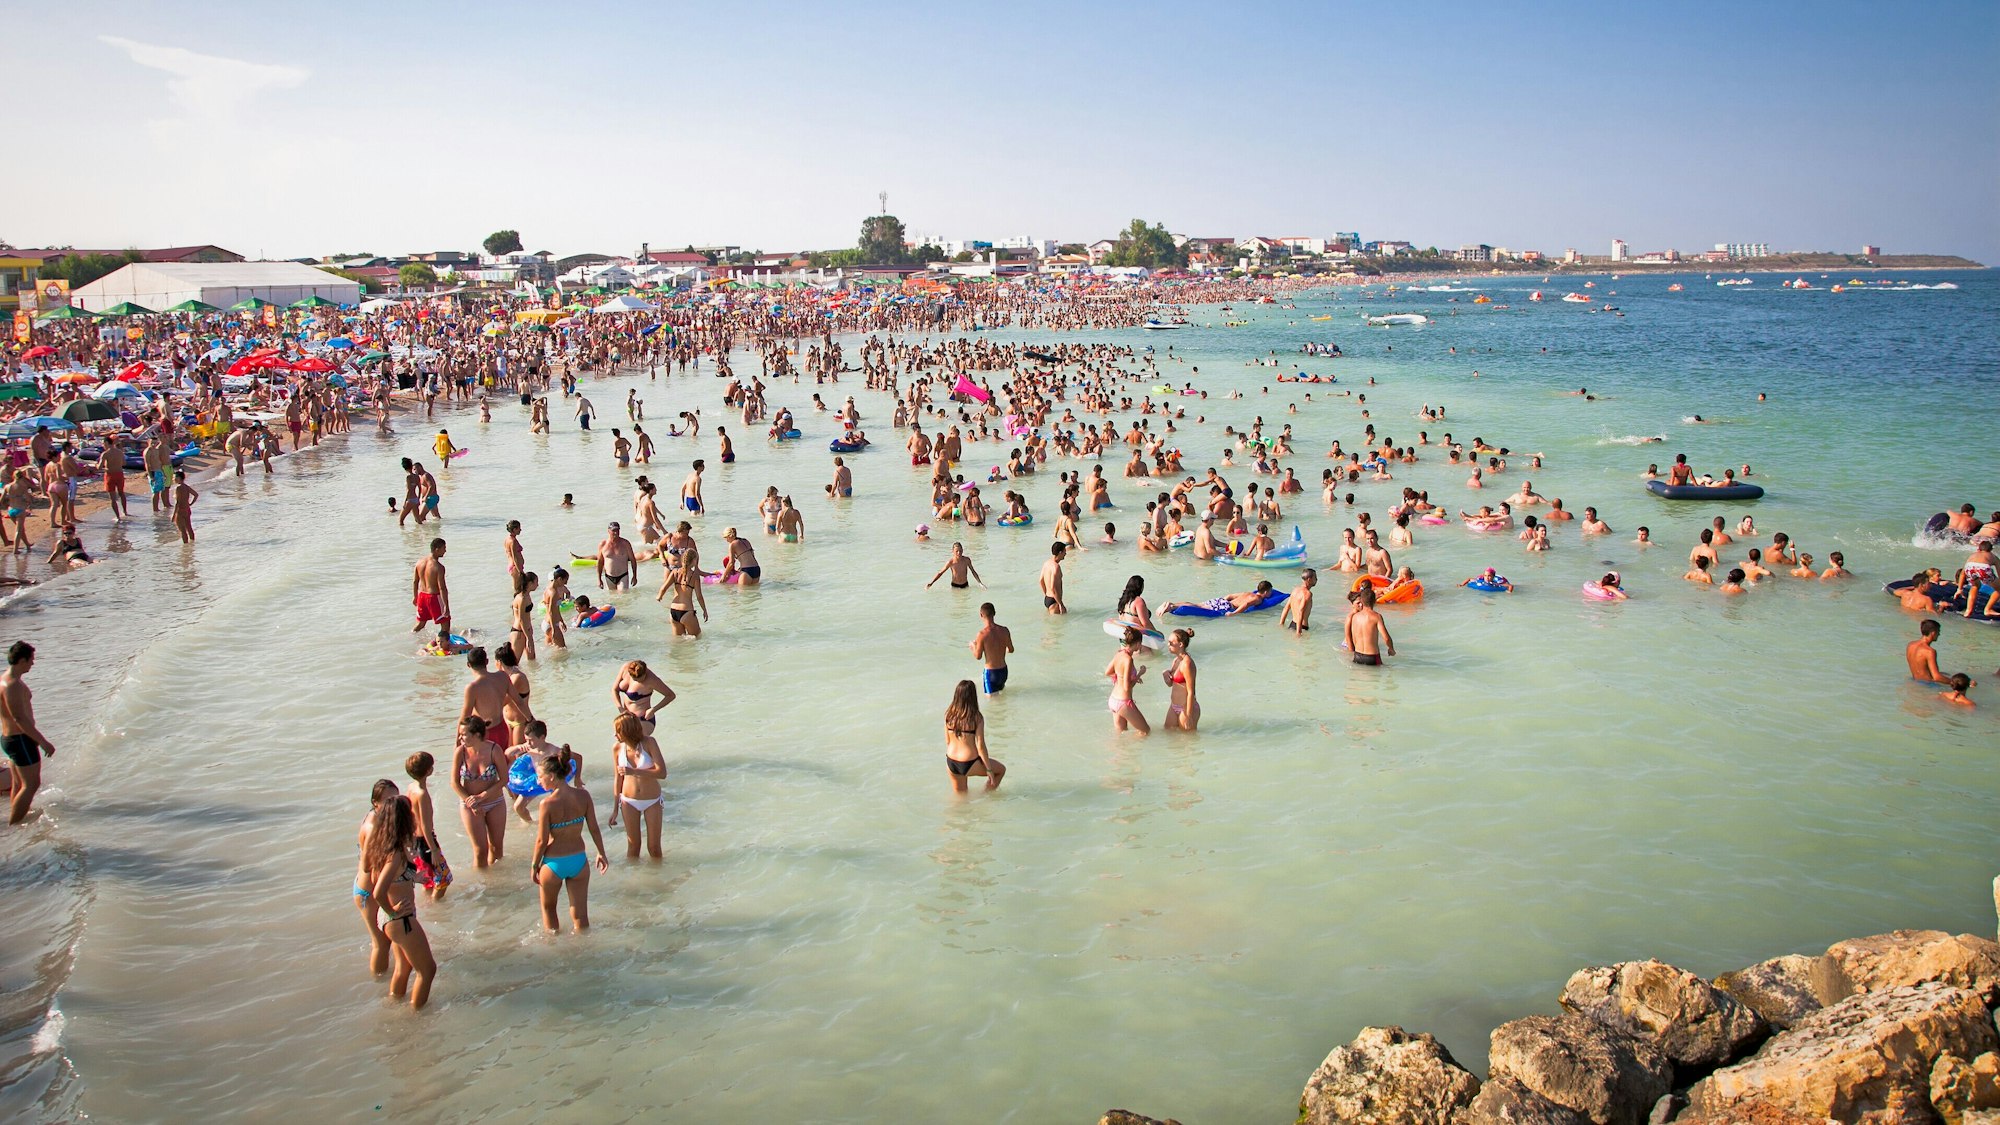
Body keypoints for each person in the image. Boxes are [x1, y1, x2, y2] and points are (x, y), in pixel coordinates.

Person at [363, 796, 438, 1009]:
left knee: (403, 968)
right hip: (399, 919)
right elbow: (378, 891)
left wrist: (413, 877)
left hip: (389, 920)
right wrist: (393, 911)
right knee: (428, 970)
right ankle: (418, 1015)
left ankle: (395, 1007)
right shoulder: (395, 853)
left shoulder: (382, 846)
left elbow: (371, 870)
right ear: (403, 819)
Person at [531, 747, 610, 933]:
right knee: (581, 917)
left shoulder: (547, 804)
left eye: (540, 776)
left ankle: (555, 954)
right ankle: (583, 953)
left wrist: (534, 865)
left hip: (553, 864)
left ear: (551, 776)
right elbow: (594, 828)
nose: (538, 780)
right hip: (579, 861)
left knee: (549, 911)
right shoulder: (583, 796)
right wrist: (601, 853)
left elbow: (542, 841)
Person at [2, 642, 57, 825]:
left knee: (18, 784)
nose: (33, 664)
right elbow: (19, 718)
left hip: (10, 739)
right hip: (20, 739)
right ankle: (14, 824)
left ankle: (16, 820)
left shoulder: (4, 680)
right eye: (31, 660)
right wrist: (42, 742)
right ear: (22, 660)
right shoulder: (13, 685)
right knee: (31, 784)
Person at [450, 715, 511, 867]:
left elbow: (504, 779)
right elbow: (454, 783)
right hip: (470, 804)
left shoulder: (494, 749)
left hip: (494, 802)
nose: (460, 737)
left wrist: (483, 796)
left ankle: (496, 885)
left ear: (477, 735)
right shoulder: (460, 752)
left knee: (497, 849)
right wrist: (470, 801)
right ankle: (482, 886)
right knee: (480, 851)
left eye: (463, 734)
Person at [354, 779, 399, 975]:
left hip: (372, 890)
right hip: (367, 893)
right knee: (381, 943)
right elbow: (366, 865)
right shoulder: (373, 826)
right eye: (388, 800)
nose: (393, 804)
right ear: (375, 802)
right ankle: (379, 983)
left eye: (396, 798)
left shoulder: (381, 818)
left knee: (386, 939)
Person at [612, 714, 665, 860]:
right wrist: (615, 809)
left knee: (654, 848)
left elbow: (662, 773)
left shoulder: (649, 743)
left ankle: (658, 878)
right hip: (628, 801)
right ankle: (633, 880)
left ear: (627, 730)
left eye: (618, 731)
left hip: (652, 800)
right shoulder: (617, 748)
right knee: (633, 847)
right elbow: (617, 779)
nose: (615, 735)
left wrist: (634, 771)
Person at [403, 752, 452, 901]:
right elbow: (425, 826)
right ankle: (435, 904)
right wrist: (434, 850)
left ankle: (428, 903)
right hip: (426, 842)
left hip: (415, 840)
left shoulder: (411, 787)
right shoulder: (422, 794)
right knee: (444, 878)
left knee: (428, 877)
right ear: (429, 771)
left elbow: (410, 816)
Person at [943, 679, 1004, 793]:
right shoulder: (976, 717)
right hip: (969, 762)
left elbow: (948, 741)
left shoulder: (949, 715)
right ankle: (985, 797)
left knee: (961, 797)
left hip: (951, 761)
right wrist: (989, 770)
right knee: (1000, 770)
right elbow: (980, 746)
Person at [1104, 628, 1151, 735]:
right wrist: (1139, 674)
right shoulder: (1128, 659)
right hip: (1123, 702)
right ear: (1138, 643)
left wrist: (1120, 677)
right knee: (1145, 731)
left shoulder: (1119, 654)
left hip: (1113, 700)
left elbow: (1108, 672)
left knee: (1121, 735)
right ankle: (1133, 745)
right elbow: (1127, 687)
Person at [613, 660, 676, 732]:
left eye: (640, 680)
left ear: (645, 672)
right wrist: (621, 709)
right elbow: (614, 690)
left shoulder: (652, 679)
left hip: (643, 719)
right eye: (635, 679)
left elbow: (671, 695)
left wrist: (653, 709)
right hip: (627, 719)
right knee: (621, 741)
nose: (637, 681)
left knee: (638, 742)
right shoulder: (625, 668)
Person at [1343, 584, 1394, 666]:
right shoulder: (1377, 616)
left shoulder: (1355, 617)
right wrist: (1391, 649)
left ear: (1362, 601)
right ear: (1374, 601)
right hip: (1372, 657)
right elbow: (1386, 638)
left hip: (1357, 656)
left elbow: (1354, 637)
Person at [969, 602, 1013, 695]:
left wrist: (973, 646)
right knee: (1001, 699)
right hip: (1003, 671)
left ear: (981, 615)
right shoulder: (1004, 630)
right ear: (994, 613)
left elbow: (978, 656)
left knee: (992, 704)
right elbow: (1011, 649)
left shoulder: (982, 634)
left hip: (990, 673)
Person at [1164, 628, 1200, 731]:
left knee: (1187, 742)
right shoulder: (1176, 660)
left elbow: (1191, 691)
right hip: (1174, 706)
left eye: (1171, 643)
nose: (1168, 645)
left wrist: (1188, 715)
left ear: (1180, 644)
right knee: (1168, 733)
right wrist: (1165, 674)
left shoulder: (1187, 663)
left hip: (1187, 708)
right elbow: (1170, 684)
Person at [412, 538, 450, 634]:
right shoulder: (439, 567)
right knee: (446, 624)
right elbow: (442, 588)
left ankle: (411, 636)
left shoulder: (419, 562)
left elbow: (415, 581)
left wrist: (415, 596)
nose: (445, 551)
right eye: (444, 548)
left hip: (422, 596)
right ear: (437, 549)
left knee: (420, 623)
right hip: (433, 597)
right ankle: (442, 644)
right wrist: (446, 606)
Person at [1906, 619, 1953, 685]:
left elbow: (1920, 668)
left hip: (1914, 681)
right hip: (1928, 684)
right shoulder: (1930, 651)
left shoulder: (1910, 645)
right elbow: (1937, 677)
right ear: (1933, 633)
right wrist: (1957, 683)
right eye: (1938, 631)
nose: (1939, 634)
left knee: (1946, 674)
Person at [596, 522, 637, 591]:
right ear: (608, 531)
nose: (616, 532)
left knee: (623, 595)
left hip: (623, 575)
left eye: (617, 530)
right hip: (609, 576)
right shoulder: (603, 544)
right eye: (613, 530)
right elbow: (600, 562)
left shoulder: (625, 543)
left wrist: (634, 576)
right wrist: (599, 579)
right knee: (613, 598)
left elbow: (633, 560)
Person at [1280, 569, 1317, 634]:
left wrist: (1281, 623)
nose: (1317, 580)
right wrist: (1298, 633)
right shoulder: (1307, 594)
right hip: (1301, 628)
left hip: (1292, 624)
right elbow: (1301, 611)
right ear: (1309, 579)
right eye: (1315, 578)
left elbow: (1286, 608)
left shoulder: (1295, 590)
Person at [171, 469, 198, 543]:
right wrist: (190, 504)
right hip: (187, 509)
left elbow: (177, 502)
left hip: (180, 511)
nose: (174, 479)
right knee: (189, 528)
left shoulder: (178, 488)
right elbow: (196, 495)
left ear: (179, 478)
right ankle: (192, 546)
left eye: (175, 477)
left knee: (182, 530)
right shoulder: (186, 486)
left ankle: (185, 550)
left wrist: (174, 515)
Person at [1040, 542, 1067, 614]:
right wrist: (1061, 604)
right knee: (1058, 624)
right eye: (1065, 551)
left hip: (1047, 598)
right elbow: (1053, 587)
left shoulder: (1046, 563)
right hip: (1054, 601)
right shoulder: (1056, 567)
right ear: (1060, 552)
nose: (1065, 554)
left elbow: (1041, 581)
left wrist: (1046, 594)